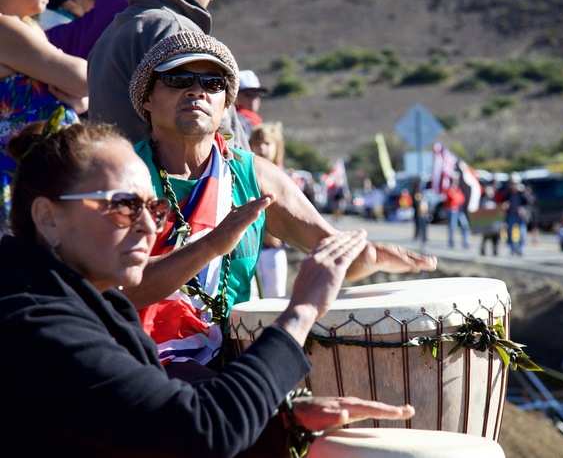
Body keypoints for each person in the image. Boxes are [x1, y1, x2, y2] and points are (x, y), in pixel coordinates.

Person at [0, 120, 414, 456]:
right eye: (124, 205)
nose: (148, 226)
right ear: (47, 217)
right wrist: (301, 312)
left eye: (155, 208)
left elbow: (143, 427)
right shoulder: (35, 322)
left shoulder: (79, 299)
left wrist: (284, 419)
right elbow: (199, 432)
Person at [126, 31, 437, 376]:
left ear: (226, 103)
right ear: (148, 97)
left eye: (213, 83)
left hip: (229, 362)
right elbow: (124, 290)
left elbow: (328, 250)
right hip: (139, 363)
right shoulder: (122, 176)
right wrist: (213, 244)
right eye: (178, 79)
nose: (197, 91)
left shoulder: (256, 176)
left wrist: (369, 257)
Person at [88, 0, 235, 144]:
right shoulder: (175, 29)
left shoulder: (115, 29)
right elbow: (205, 122)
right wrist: (239, 167)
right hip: (166, 173)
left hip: (121, 167)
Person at [0, 0, 88, 228]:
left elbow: (79, 88)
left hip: (36, 175)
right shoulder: (3, 28)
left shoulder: (21, 28)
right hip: (18, 177)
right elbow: (79, 77)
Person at [250, 122, 287, 298]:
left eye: (266, 143)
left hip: (274, 248)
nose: (261, 148)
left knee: (275, 297)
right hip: (252, 247)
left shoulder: (282, 177)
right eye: (257, 143)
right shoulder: (247, 173)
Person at [503, 173, 532, 256]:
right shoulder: (507, 192)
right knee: (510, 232)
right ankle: (512, 248)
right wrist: (505, 204)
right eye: (512, 183)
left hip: (520, 216)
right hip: (511, 215)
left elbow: (529, 202)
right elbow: (502, 200)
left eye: (515, 183)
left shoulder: (522, 192)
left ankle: (520, 249)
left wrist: (523, 208)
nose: (513, 185)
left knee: (522, 233)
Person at [236, 69, 268, 139]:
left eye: (257, 94)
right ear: (236, 95)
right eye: (248, 94)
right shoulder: (240, 117)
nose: (253, 99)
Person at [444, 176, 469, 249]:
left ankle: (465, 242)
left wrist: (458, 198)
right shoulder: (450, 189)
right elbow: (453, 198)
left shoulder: (458, 190)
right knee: (452, 226)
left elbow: (462, 199)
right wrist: (457, 198)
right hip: (452, 210)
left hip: (459, 210)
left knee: (465, 225)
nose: (456, 183)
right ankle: (451, 242)